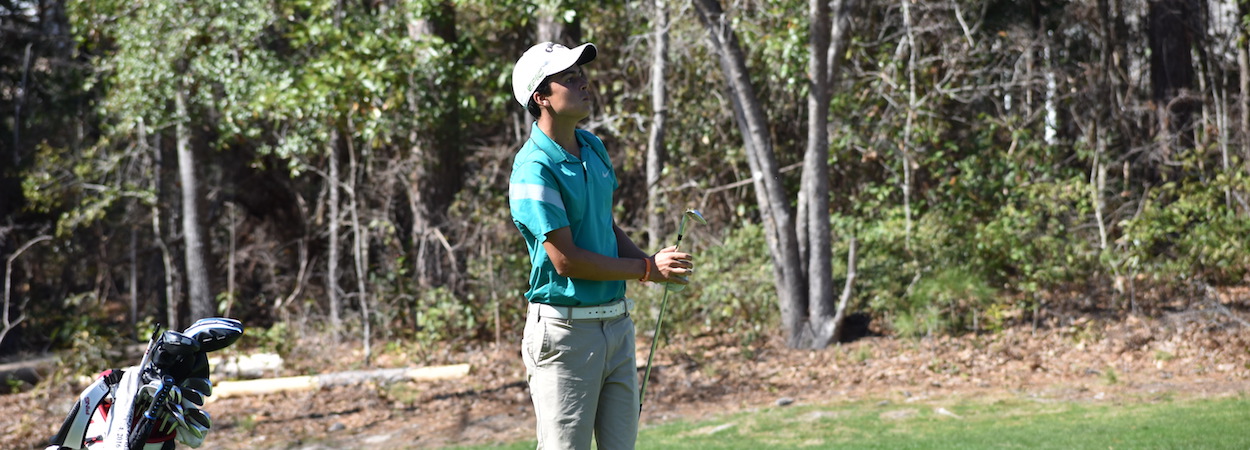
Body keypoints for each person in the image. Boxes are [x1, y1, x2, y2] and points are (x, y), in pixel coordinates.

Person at [508, 41, 693, 449]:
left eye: (582, 73)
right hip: (564, 335)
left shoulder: (592, 147)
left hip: (617, 325)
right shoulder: (534, 168)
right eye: (568, 78)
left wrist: (649, 264)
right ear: (541, 98)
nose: (583, 82)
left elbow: (605, 228)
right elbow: (566, 261)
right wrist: (646, 271)